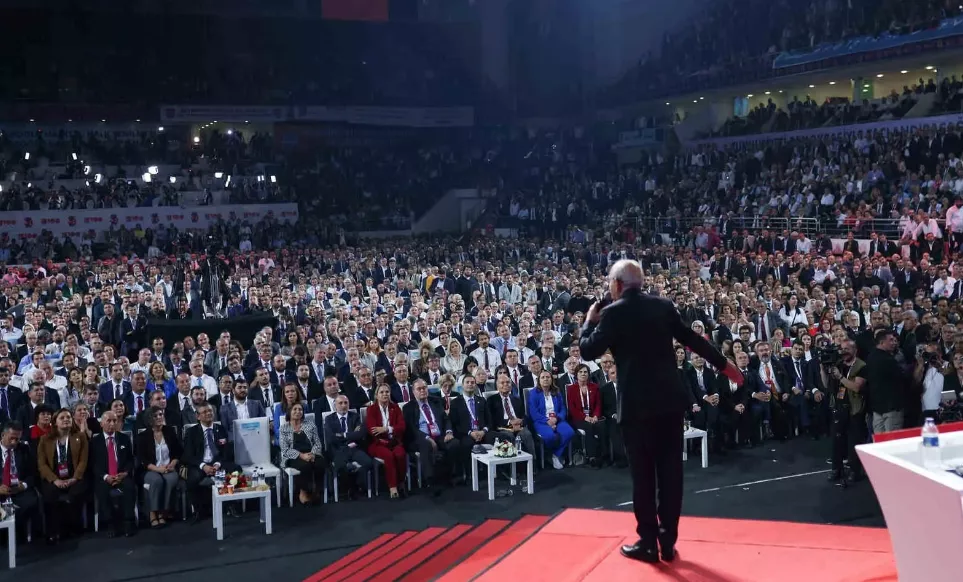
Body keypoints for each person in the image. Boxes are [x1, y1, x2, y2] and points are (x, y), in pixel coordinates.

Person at [579, 259, 742, 564]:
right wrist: (724, 365)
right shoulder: (663, 306)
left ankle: (648, 542)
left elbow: (587, 350)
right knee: (671, 475)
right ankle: (667, 542)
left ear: (617, 284)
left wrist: (589, 321)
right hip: (669, 404)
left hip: (636, 408)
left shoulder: (613, 313)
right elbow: (692, 339)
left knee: (643, 477)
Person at [37, 408, 89, 543]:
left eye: (68, 417)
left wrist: (74, 478)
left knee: (75, 494)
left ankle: (73, 529)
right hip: (54, 478)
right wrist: (55, 480)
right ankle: (52, 531)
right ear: (55, 422)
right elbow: (42, 464)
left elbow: (83, 461)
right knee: (50, 495)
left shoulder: (80, 436)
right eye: (62, 418)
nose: (66, 419)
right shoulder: (45, 439)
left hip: (74, 477)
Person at [181, 402, 239, 522]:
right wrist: (203, 466)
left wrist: (217, 464)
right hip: (200, 464)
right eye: (205, 412)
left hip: (217, 463)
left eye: (210, 411)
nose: (208, 413)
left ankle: (231, 504)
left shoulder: (220, 429)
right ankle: (198, 510)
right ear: (198, 416)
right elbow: (188, 455)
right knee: (192, 478)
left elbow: (225, 452)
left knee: (236, 469)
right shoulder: (191, 432)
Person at [402, 379, 458, 489]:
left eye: (424, 388)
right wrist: (427, 437)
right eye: (419, 389)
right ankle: (430, 480)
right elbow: (411, 429)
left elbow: (445, 419)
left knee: (454, 443)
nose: (422, 391)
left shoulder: (436, 401)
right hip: (420, 438)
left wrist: (449, 432)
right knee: (426, 445)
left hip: (439, 435)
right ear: (413, 392)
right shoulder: (408, 407)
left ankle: (452, 475)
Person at [89, 410, 138, 538]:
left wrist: (125, 473)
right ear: (101, 423)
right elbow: (93, 464)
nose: (112, 424)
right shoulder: (95, 441)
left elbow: (130, 460)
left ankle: (129, 521)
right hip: (104, 477)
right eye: (108, 421)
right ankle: (110, 523)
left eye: (114, 421)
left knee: (129, 487)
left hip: (122, 475)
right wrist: (106, 477)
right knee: (102, 490)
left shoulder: (124, 438)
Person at [136, 405, 182, 528]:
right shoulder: (143, 436)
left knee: (170, 480)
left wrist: (172, 464)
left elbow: (178, 452)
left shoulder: (170, 431)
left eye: (161, 414)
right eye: (155, 416)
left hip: (169, 467)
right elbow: (142, 459)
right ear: (149, 419)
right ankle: (152, 513)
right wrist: (158, 469)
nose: (159, 417)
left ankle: (163, 513)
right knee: (156, 481)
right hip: (151, 469)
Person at [322, 394, 373, 500]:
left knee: (368, 462)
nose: (343, 405)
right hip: (338, 450)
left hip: (354, 448)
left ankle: (359, 485)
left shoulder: (355, 417)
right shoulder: (329, 419)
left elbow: (360, 434)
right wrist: (351, 437)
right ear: (335, 406)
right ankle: (351, 488)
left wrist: (343, 435)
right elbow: (331, 438)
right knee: (341, 466)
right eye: (340, 403)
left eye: (346, 403)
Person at [0, 420, 40, 544]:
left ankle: (22, 539)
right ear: (3, 435)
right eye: (11, 438)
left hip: (19, 490)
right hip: (1, 491)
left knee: (31, 502)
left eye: (17, 439)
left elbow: (33, 474)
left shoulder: (24, 449)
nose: (14, 442)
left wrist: (23, 485)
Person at [365, 384, 407, 498]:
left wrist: (387, 429)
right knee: (389, 456)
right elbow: (373, 430)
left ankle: (401, 482)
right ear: (377, 395)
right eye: (382, 392)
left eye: (387, 392)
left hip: (394, 441)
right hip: (378, 443)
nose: (385, 394)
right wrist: (392, 430)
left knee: (400, 454)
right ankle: (392, 487)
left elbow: (402, 426)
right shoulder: (371, 409)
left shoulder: (395, 407)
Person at [279, 401, 326, 505]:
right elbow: (285, 449)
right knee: (305, 466)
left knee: (320, 463)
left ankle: (316, 491)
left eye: (300, 409)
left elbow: (317, 443)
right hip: (293, 456)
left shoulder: (310, 425)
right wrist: (301, 455)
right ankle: (303, 492)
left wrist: (312, 454)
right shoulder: (284, 428)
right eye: (295, 409)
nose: (298, 411)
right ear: (289, 412)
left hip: (311, 453)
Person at [529, 369, 574, 469]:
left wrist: (557, 418)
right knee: (550, 436)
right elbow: (533, 412)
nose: (545, 379)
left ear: (551, 379)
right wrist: (547, 421)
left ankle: (555, 455)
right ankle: (551, 454)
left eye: (548, 377)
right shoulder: (533, 393)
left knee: (569, 432)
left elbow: (562, 408)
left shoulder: (556, 391)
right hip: (541, 421)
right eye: (543, 377)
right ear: (539, 380)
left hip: (557, 419)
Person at [566, 363, 606, 468]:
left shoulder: (594, 387)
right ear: (576, 374)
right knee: (589, 427)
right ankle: (592, 457)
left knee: (601, 425)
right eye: (580, 372)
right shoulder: (571, 389)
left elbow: (598, 404)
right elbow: (572, 408)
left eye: (585, 372)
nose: (583, 374)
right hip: (578, 418)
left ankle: (603, 455)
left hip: (593, 416)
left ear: (588, 374)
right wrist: (585, 417)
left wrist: (596, 416)